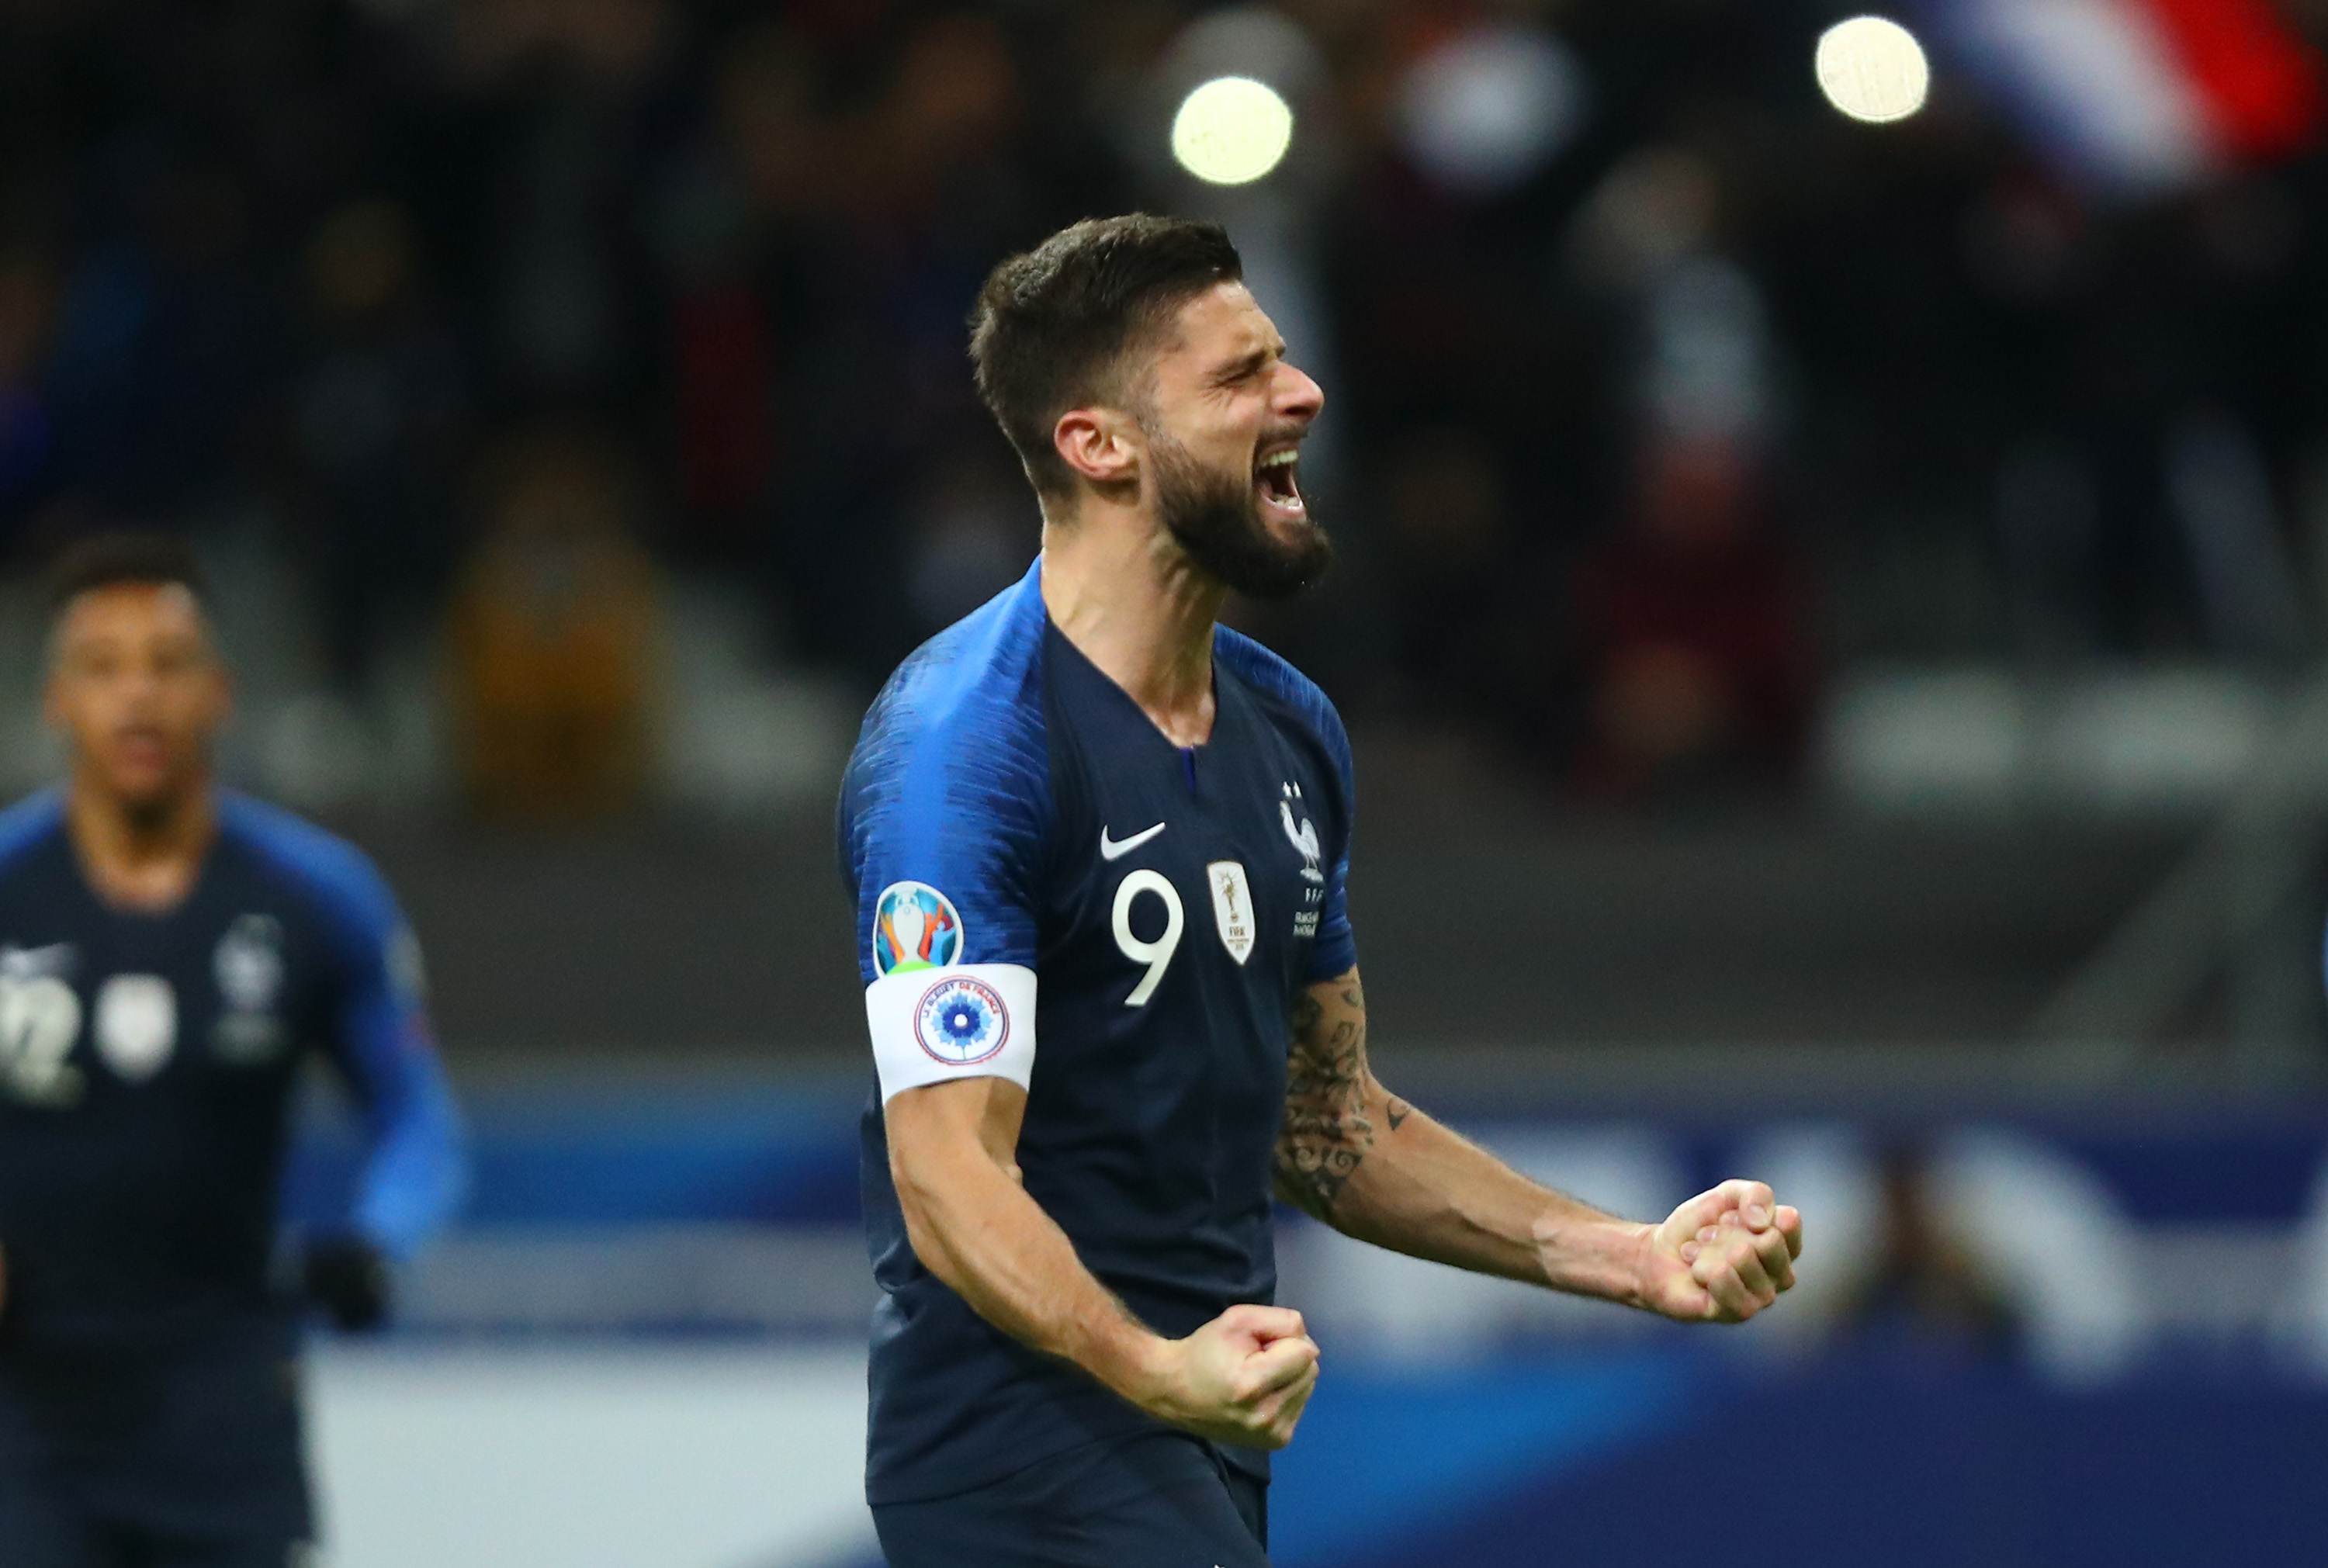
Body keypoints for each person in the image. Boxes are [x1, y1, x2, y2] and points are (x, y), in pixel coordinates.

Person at [837, 215, 1806, 1566]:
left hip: (1202, 1438)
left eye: (1284, 361)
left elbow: (1326, 1122)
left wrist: (1627, 1256)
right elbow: (945, 1171)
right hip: (1027, 1447)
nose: (1302, 394)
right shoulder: (968, 745)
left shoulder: (1286, 729)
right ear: (1098, 443)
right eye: (1240, 377)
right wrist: (1149, 1363)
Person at [0, 532, 468, 1567]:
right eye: (103, 665)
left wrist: (376, 1237)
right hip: (22, 1410)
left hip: (224, 1402)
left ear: (220, 690)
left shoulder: (314, 895)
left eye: (167, 664)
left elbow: (416, 1117)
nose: (138, 696)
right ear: (54, 699)